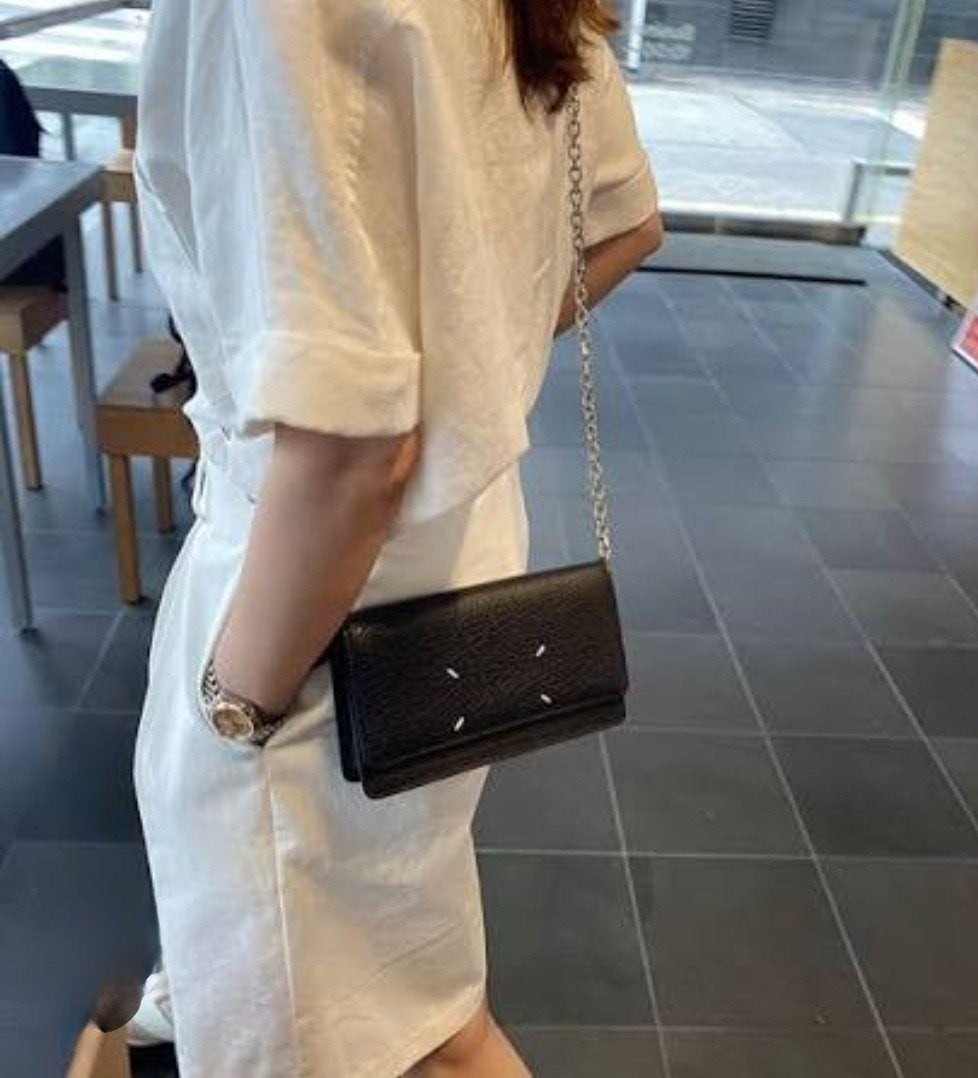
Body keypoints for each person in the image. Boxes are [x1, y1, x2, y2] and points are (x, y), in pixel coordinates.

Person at [130, 0, 661, 1074]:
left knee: (318, 1034)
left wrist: (232, 707)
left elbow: (350, 451)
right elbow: (624, 224)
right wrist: (471, 359)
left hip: (312, 585)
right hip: (452, 554)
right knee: (424, 1013)